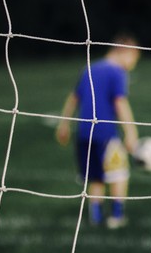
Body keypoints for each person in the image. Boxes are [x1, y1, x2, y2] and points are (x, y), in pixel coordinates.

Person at [56, 34, 140, 229]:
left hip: (84, 133)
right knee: (118, 174)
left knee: (95, 176)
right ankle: (117, 217)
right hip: (106, 133)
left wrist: (64, 124)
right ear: (124, 51)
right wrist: (131, 132)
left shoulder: (89, 68)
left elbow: (74, 98)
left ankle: (96, 216)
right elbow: (120, 102)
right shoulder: (117, 72)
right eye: (134, 58)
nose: (134, 63)